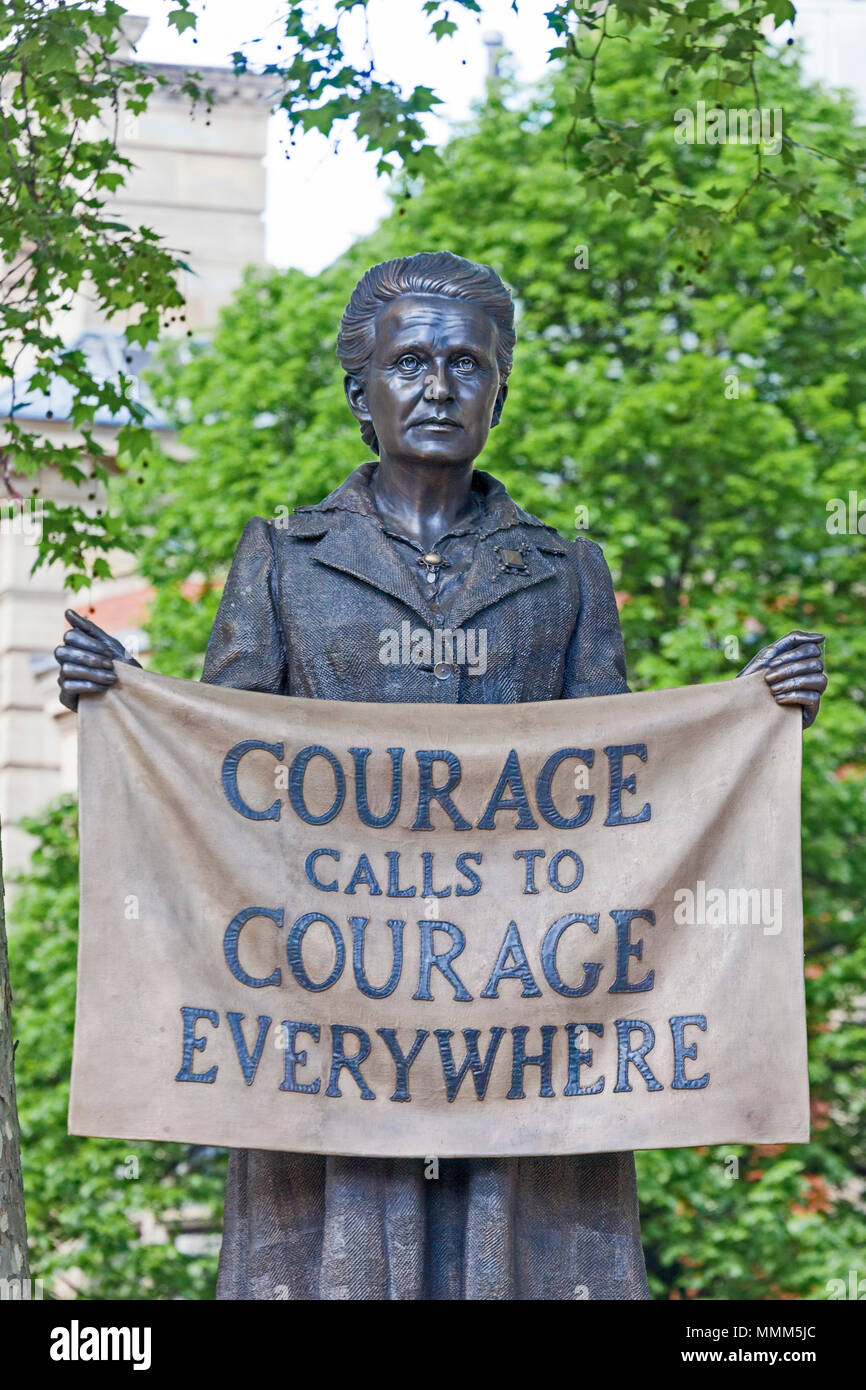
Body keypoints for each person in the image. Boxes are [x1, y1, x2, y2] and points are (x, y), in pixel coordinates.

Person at [56, 251, 827, 1299]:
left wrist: (748, 715)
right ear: (358, 392)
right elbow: (219, 777)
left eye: (465, 363)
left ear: (498, 389)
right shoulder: (281, 559)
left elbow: (623, 796)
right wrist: (128, 702)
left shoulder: (563, 568)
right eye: (409, 360)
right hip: (330, 1019)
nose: (436, 387)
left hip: (525, 1021)